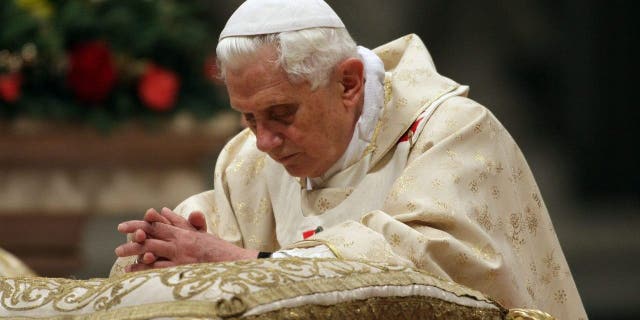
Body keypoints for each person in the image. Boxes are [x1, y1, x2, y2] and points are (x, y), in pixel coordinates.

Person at [113, 0, 587, 318]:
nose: (264, 142)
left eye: (280, 114)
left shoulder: (451, 134)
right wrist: (162, 255)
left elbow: (426, 276)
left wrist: (244, 261)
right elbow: (207, 244)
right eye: (248, 118)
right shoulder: (246, 161)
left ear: (349, 83)